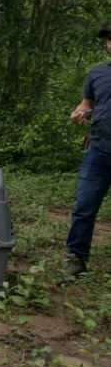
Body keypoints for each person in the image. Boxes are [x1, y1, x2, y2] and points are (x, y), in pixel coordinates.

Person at [66, 26, 111, 280]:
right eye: (109, 39)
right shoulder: (97, 73)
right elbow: (88, 104)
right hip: (98, 150)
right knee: (84, 206)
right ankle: (76, 260)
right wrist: (79, 111)